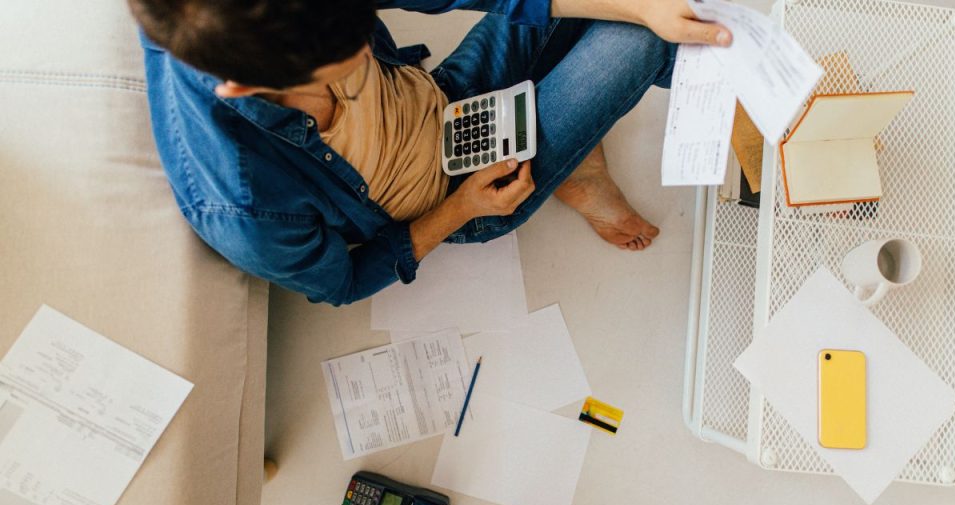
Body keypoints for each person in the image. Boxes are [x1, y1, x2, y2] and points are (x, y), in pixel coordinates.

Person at [130, 0, 731, 306]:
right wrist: (463, 208)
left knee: (648, 7)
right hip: (458, 189)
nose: (364, 57)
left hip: (446, 95)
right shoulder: (247, 208)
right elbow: (344, 283)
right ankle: (586, 158)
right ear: (244, 86)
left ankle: (579, 157)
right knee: (642, 40)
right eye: (339, 68)